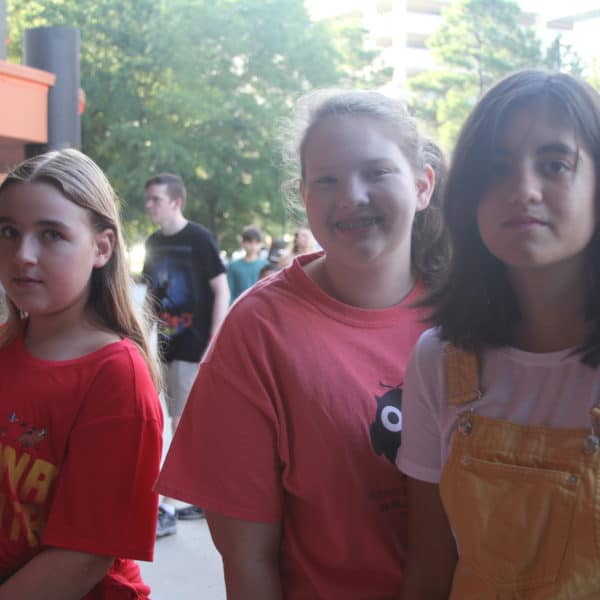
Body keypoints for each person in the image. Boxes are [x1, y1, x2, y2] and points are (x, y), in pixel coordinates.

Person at [157, 89, 449, 598]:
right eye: (327, 180)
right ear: (303, 195)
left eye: (377, 172)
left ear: (423, 185)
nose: (351, 196)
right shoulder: (259, 331)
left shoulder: (469, 312)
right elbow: (247, 561)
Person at [397, 69, 600, 598]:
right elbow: (429, 572)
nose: (523, 190)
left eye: (555, 164)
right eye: (496, 169)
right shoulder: (438, 360)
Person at [0, 149, 163, 598]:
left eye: (51, 234)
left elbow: (83, 558)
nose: (23, 255)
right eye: (9, 231)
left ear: (102, 247)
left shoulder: (117, 377)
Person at [142, 173, 230, 533]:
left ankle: (172, 505)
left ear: (175, 202)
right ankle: (193, 495)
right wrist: (141, 338)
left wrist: (215, 337)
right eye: (148, 199)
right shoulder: (152, 242)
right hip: (163, 342)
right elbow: (149, 295)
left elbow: (221, 289)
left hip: (193, 342)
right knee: (170, 420)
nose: (149, 205)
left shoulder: (199, 239)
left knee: (180, 422)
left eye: (155, 199)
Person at [227, 225, 268, 302]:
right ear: (242, 243)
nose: (253, 246)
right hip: (239, 306)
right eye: (250, 242)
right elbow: (230, 292)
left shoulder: (265, 265)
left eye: (257, 242)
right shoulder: (233, 266)